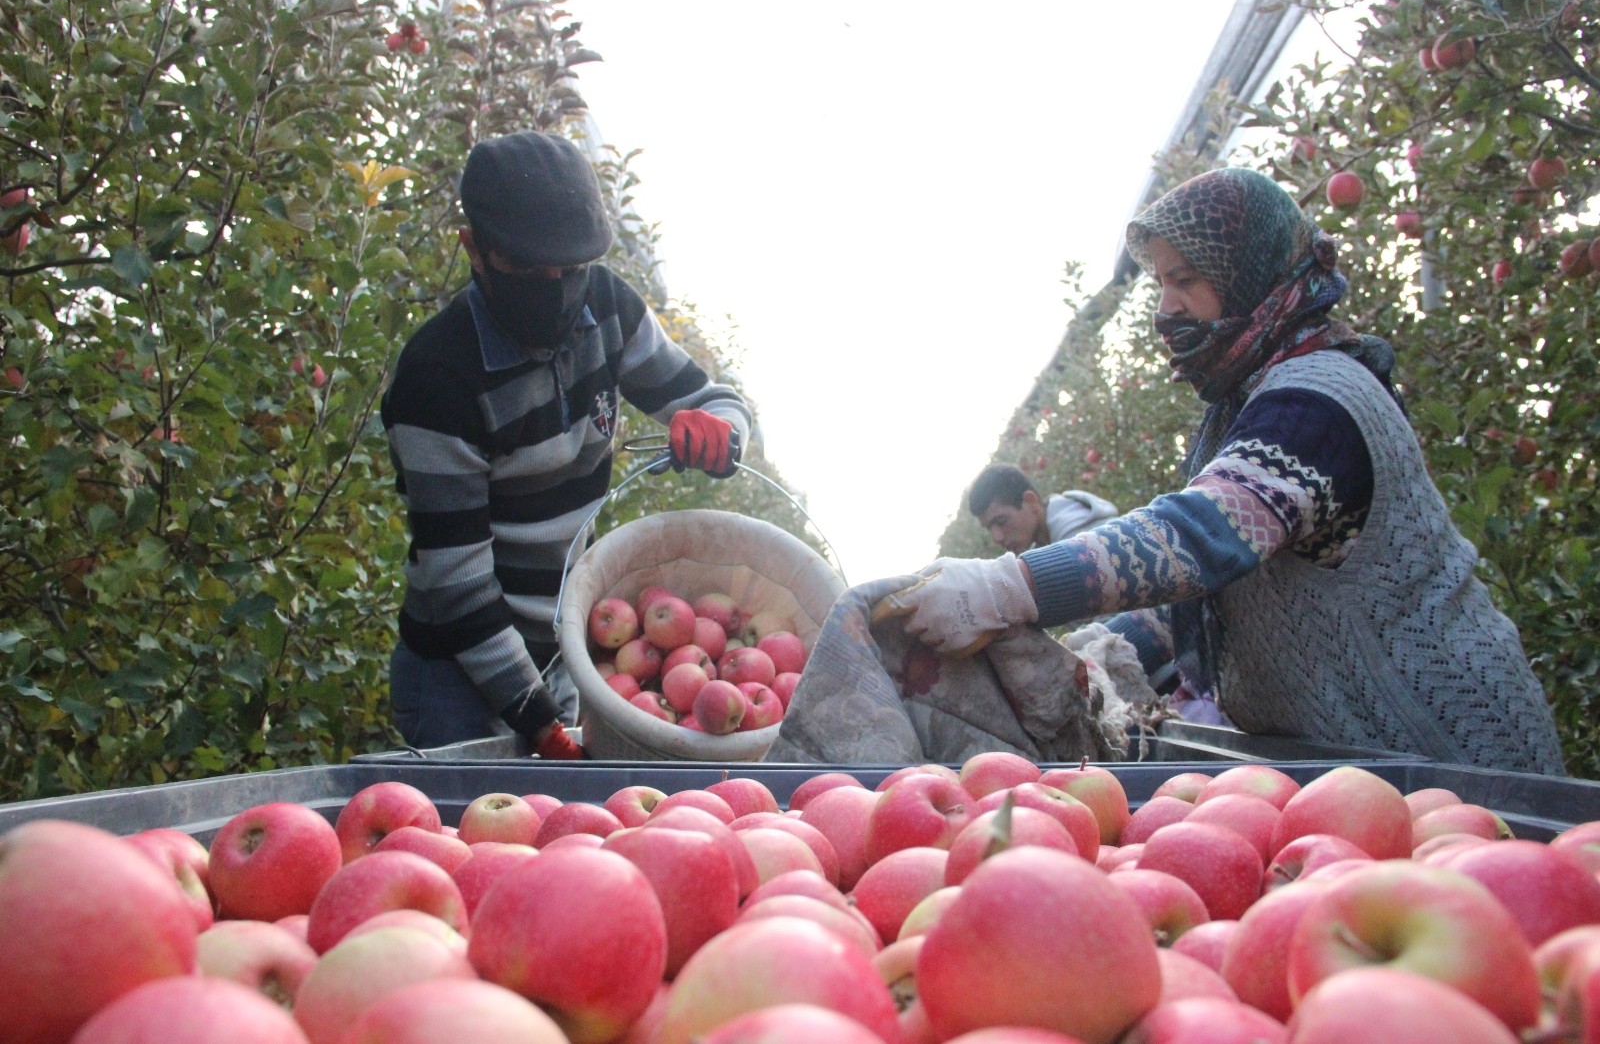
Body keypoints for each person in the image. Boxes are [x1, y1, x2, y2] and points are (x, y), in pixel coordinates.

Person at [884, 166, 1565, 774]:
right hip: (1355, 767)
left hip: (1448, 749)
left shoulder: (1321, 398)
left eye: (1186, 280)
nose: (1165, 308)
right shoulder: (1242, 406)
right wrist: (1104, 650)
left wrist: (1009, 588)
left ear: (1250, 274)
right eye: (1159, 283)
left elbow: (1204, 536)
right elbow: (1227, 596)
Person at [380, 131, 753, 758]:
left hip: (565, 647)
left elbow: (715, 399)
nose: (555, 286)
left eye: (572, 268)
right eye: (527, 269)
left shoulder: (606, 308)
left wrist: (720, 434)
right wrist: (540, 722)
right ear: (475, 249)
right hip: (459, 676)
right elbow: (459, 586)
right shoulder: (438, 380)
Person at [968, 463, 1119, 555]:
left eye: (1001, 521)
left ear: (1031, 501)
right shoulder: (1046, 544)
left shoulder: (1085, 545)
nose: (997, 538)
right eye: (989, 528)